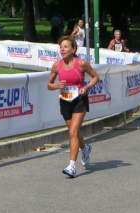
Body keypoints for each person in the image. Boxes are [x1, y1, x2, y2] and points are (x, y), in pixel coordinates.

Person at [47, 35, 100, 178]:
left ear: (73, 48)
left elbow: (96, 77)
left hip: (79, 100)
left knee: (73, 133)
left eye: (65, 47)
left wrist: (86, 87)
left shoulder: (81, 63)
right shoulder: (57, 65)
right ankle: (85, 148)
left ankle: (72, 166)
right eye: (61, 47)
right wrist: (57, 85)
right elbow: (49, 85)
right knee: (73, 132)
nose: (62, 49)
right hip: (65, 101)